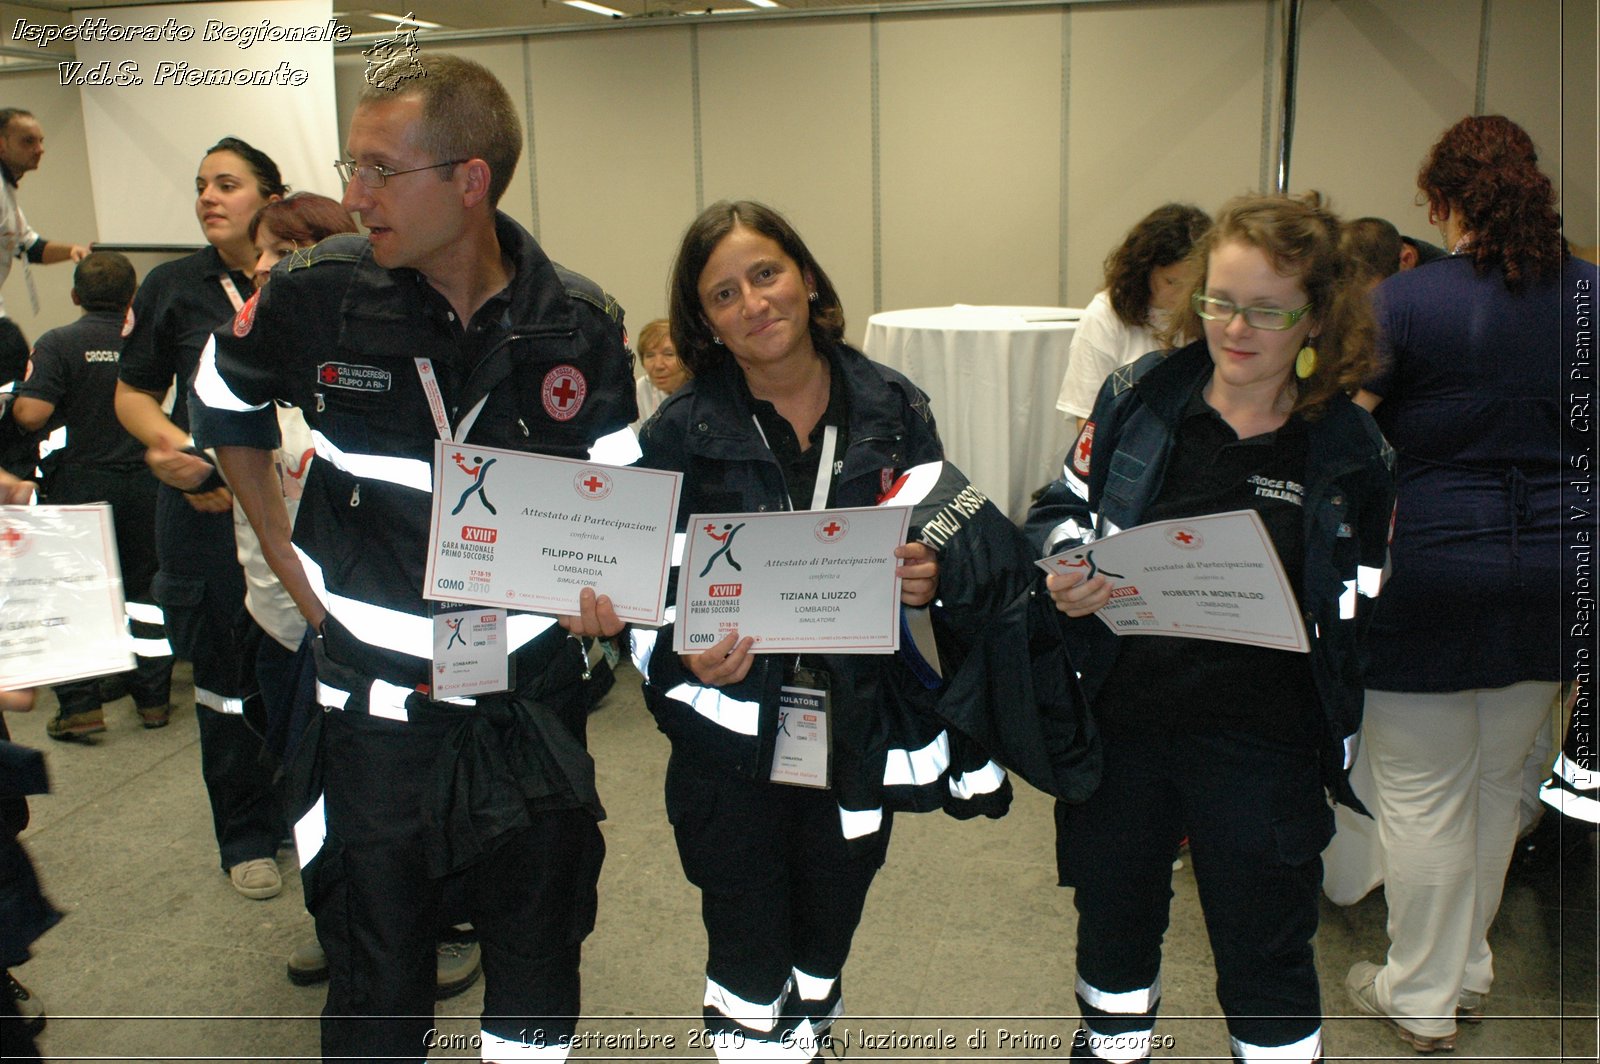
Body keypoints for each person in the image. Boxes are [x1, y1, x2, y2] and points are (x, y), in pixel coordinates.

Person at [194, 54, 635, 1062]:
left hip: (528, 705)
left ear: (469, 181)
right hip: (376, 717)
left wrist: (608, 589)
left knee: (537, 958)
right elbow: (224, 395)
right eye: (353, 168)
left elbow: (618, 485)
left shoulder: (578, 320)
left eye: (380, 170)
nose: (354, 195)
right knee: (378, 972)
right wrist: (273, 537)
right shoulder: (316, 293)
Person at [636, 200, 1075, 1062]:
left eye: (765, 274)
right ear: (705, 323)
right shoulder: (678, 435)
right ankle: (757, 1041)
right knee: (746, 940)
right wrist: (679, 644)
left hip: (857, 724)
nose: (754, 302)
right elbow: (646, 586)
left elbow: (942, 533)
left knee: (829, 923)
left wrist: (927, 578)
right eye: (724, 294)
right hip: (729, 738)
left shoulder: (893, 407)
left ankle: (810, 1031)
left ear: (804, 277)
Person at [1027, 193, 1394, 1063]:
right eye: (1219, 302)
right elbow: (1056, 507)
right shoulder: (1140, 399)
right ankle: (1113, 1049)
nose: (1236, 328)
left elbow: (1365, 606)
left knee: (1265, 954)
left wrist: (1321, 604)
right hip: (1126, 727)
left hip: (1262, 744)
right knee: (1112, 933)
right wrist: (1069, 561)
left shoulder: (1347, 450)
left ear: (1316, 317)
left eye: (1267, 310)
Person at [1343, 115, 1594, 1053]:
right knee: (1501, 786)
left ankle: (1417, 991)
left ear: (1446, 203)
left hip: (1432, 571)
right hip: (1566, 572)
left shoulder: (1402, 304)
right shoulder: (1595, 298)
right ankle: (1466, 970)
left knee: (1420, 792)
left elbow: (1348, 442)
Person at [114, 137, 289, 901]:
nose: (209, 198)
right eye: (201, 186)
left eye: (228, 184)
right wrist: (180, 451)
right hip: (206, 508)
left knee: (298, 670)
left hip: (296, 510)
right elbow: (132, 394)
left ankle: (300, 810)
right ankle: (245, 834)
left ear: (270, 196)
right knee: (223, 680)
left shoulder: (305, 274)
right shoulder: (174, 287)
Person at [10, 252, 174, 739]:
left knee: (72, 596)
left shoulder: (59, 342)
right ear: (132, 295)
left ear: (76, 296)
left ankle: (81, 708)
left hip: (78, 485)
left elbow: (31, 415)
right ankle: (153, 702)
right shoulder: (147, 340)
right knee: (147, 595)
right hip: (146, 483)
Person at [1055, 203, 1211, 430]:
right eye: (1171, 282)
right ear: (1144, 271)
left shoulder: (1212, 313)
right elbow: (1088, 421)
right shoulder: (1105, 315)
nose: (1183, 296)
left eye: (1194, 285)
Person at [0, 108, 91, 386]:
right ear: (1, 145)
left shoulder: (7, 190)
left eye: (41, 141)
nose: (40, 149)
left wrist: (72, 250)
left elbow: (28, 246)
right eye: (28, 141)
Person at [631, 317, 690, 426]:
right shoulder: (642, 389)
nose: (658, 365)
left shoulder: (705, 391)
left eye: (669, 354)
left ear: (687, 357)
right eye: (650, 355)